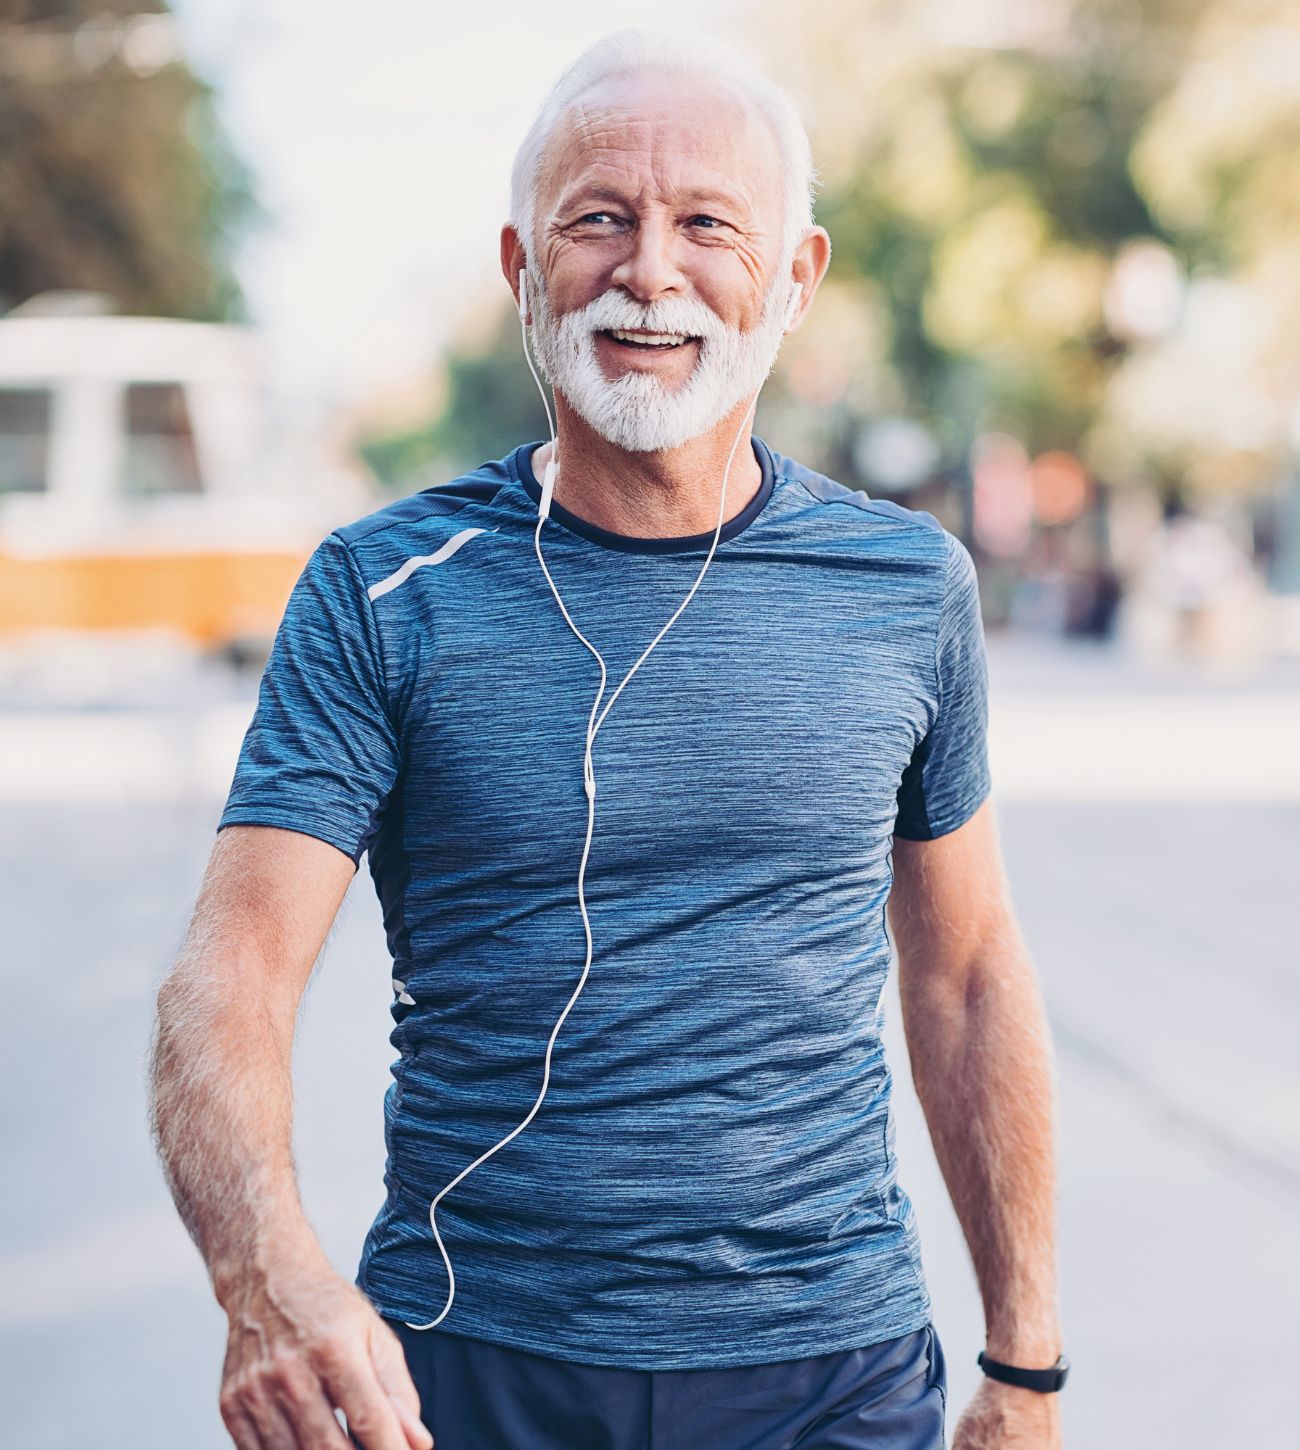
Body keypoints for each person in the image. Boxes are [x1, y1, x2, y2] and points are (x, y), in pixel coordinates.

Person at [148, 27, 1066, 1450]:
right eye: (599, 219)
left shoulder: (908, 585)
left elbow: (965, 976)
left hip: (829, 1371)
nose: (651, 269)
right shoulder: (381, 589)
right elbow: (234, 970)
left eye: (709, 223)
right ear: (521, 268)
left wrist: (1028, 1359)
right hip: (466, 1364)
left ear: (797, 278)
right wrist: (264, 1282)